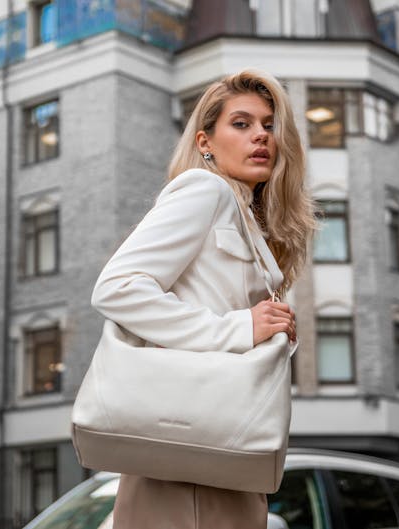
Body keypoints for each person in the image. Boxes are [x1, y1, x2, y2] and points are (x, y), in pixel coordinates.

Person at [90, 69, 315, 529]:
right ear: (205, 141)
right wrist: (238, 328)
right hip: (187, 454)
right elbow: (117, 287)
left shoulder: (246, 220)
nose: (261, 136)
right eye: (241, 123)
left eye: (269, 126)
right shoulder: (204, 190)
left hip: (220, 448)